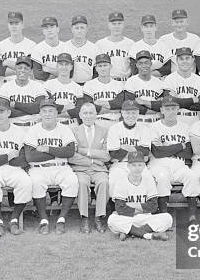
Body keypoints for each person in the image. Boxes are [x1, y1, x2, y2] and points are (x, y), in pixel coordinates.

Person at [24, 99, 79, 235]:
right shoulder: (33, 130)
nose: (47, 114)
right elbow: (31, 157)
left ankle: (62, 219)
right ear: (40, 113)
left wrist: (47, 148)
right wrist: (58, 152)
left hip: (61, 167)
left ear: (56, 113)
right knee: (36, 182)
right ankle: (44, 220)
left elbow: (70, 152)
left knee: (72, 181)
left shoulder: (64, 129)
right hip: (39, 168)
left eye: (51, 111)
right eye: (44, 111)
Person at [0, 97, 33, 238]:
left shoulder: (20, 132)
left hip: (15, 169)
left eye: (2, 111)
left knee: (26, 183)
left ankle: (14, 219)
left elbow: (23, 160)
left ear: (9, 112)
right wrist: (8, 156)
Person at [149, 96, 200, 220]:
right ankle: (164, 214)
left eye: (173, 108)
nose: (170, 111)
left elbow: (188, 152)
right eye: (167, 108)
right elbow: (157, 152)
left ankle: (192, 215)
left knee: (192, 177)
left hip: (179, 164)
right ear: (161, 110)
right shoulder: (154, 127)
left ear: (178, 109)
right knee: (162, 178)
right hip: (158, 163)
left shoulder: (185, 127)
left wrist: (167, 149)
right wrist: (180, 146)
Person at [108, 151, 173, 241]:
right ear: (128, 166)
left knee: (167, 218)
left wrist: (133, 206)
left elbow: (153, 207)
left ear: (144, 166)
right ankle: (150, 235)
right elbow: (120, 209)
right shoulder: (121, 182)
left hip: (145, 218)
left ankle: (130, 232)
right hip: (127, 218)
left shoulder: (149, 181)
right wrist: (142, 208)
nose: (137, 168)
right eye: (133, 165)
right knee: (112, 220)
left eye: (139, 165)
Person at [68, 102, 110, 234]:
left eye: (91, 112)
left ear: (96, 114)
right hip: (81, 169)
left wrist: (86, 151)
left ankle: (99, 217)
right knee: (82, 183)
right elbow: (71, 156)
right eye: (85, 113)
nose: (88, 116)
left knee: (104, 182)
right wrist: (92, 160)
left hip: (99, 169)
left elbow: (107, 155)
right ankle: (84, 217)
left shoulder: (104, 131)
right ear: (80, 115)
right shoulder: (73, 131)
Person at [106, 99, 152, 186]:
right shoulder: (114, 129)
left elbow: (145, 151)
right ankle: (114, 200)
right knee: (113, 181)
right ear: (122, 113)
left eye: (134, 113)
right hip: (119, 165)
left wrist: (124, 147)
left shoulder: (144, 129)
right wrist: (137, 150)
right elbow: (114, 154)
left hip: (139, 165)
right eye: (128, 113)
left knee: (148, 180)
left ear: (138, 113)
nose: (131, 116)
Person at [161, 47, 200, 126]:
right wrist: (193, 100)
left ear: (193, 60)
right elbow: (169, 103)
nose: (184, 61)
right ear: (176, 60)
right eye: (181, 59)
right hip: (176, 119)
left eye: (187, 58)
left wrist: (178, 100)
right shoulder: (169, 79)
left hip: (195, 121)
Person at [0, 55, 47, 128]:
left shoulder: (37, 86)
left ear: (30, 70)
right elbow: (3, 110)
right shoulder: (6, 86)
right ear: (15, 69)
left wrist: (16, 105)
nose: (22, 70)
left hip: (33, 127)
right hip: (13, 127)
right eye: (20, 68)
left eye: (26, 68)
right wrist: (30, 110)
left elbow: (39, 107)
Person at [82, 53, 125, 129]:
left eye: (105, 65)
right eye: (100, 66)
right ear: (96, 68)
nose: (103, 68)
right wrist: (112, 110)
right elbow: (89, 108)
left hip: (115, 123)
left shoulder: (119, 85)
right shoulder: (89, 85)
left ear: (110, 66)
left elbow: (120, 104)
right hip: (96, 122)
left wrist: (100, 103)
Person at [0, 11, 36, 85]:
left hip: (25, 86)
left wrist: (7, 63)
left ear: (22, 25)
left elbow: (32, 71)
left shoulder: (31, 45)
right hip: (5, 86)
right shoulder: (0, 46)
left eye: (17, 23)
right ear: (8, 25)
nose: (14, 26)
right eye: (11, 23)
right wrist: (22, 69)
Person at [123, 50, 165, 124]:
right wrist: (152, 109)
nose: (144, 66)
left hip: (155, 123)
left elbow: (162, 105)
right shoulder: (131, 81)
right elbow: (130, 105)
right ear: (136, 65)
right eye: (140, 63)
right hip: (138, 122)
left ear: (151, 64)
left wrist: (144, 102)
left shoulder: (159, 83)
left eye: (146, 62)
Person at [43, 53, 83, 127]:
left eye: (67, 64)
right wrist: (66, 107)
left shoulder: (77, 88)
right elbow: (46, 107)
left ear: (71, 67)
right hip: (54, 124)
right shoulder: (48, 85)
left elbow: (79, 110)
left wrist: (56, 113)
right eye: (61, 64)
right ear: (57, 66)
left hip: (72, 124)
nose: (64, 67)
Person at [95, 12, 135, 82]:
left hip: (126, 82)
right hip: (107, 82)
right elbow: (95, 68)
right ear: (109, 25)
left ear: (123, 25)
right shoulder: (99, 44)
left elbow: (135, 67)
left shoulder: (131, 44)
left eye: (119, 23)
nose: (117, 26)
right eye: (114, 24)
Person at [158, 9, 200, 73]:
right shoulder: (164, 40)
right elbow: (160, 63)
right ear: (172, 23)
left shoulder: (195, 40)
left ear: (187, 22)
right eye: (176, 22)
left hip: (191, 79)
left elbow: (199, 63)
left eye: (181, 21)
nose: (179, 24)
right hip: (171, 79)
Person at [64, 15, 100, 84]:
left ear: (87, 29)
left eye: (82, 28)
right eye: (77, 28)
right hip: (69, 86)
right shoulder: (64, 47)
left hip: (88, 85)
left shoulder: (94, 48)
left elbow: (97, 71)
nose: (79, 31)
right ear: (72, 29)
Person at [31, 16, 67, 81]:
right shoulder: (37, 49)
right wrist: (58, 72)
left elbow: (69, 73)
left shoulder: (66, 47)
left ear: (58, 29)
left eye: (52, 27)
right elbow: (38, 75)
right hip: (43, 86)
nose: (49, 30)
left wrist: (48, 69)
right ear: (43, 31)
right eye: (46, 28)